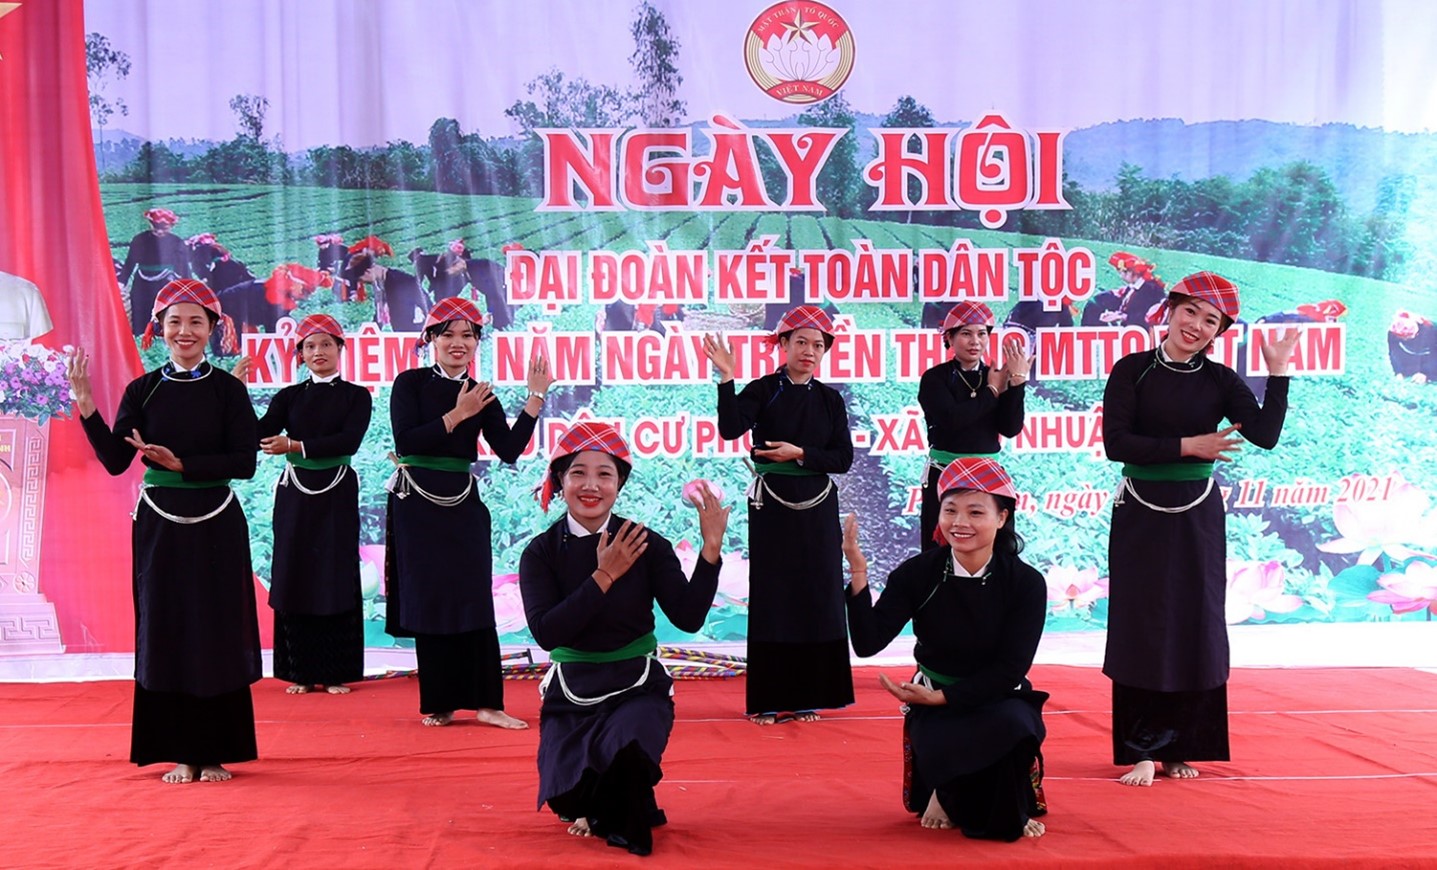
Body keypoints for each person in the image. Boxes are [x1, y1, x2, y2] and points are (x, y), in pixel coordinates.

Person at [1102, 272, 1300, 787]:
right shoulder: (1132, 370)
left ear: (1219, 332)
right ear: (1170, 311)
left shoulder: (1220, 380)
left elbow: (1265, 435)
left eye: (1210, 320)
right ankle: (1141, 750)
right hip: (1141, 510)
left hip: (1199, 514)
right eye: (1190, 311)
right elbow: (1116, 443)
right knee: (1142, 622)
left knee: (1196, 622)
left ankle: (1180, 748)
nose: (1196, 325)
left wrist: (1278, 373)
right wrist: (1188, 446)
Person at [67, 278, 261, 784]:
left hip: (217, 520)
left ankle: (214, 752)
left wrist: (184, 464)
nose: (185, 331)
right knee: (167, 626)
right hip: (160, 525)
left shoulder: (228, 390)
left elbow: (245, 462)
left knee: (215, 629)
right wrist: (87, 406)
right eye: (175, 322)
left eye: (196, 321)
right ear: (159, 329)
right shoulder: (143, 389)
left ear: (213, 329)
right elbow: (116, 460)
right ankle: (179, 752)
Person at [518, 422, 729, 856]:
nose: (591, 485)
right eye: (578, 473)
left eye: (605, 474)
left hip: (637, 686)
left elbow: (688, 617)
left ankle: (623, 794)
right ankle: (616, 795)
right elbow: (547, 633)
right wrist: (605, 575)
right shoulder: (541, 552)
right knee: (569, 800)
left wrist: (710, 550)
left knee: (629, 749)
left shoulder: (646, 543)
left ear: (620, 484)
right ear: (560, 480)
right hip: (572, 693)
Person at [843, 457, 1048, 841]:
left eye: (975, 512)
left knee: (1011, 726)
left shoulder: (1025, 582)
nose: (960, 523)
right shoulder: (918, 573)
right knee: (952, 737)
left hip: (998, 695)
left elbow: (1011, 668)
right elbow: (869, 642)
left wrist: (943, 698)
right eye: (950, 510)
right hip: (932, 692)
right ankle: (946, 790)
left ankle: (954, 794)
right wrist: (858, 573)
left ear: (1002, 518)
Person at [385, 296, 553, 728]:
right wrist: (458, 414)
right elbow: (408, 441)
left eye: (468, 336)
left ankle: (487, 703)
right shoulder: (410, 383)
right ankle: (440, 701)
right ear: (431, 340)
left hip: (462, 503)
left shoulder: (482, 394)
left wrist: (535, 399)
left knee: (473, 597)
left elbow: (509, 449)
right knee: (430, 598)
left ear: (477, 343)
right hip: (416, 503)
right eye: (448, 335)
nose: (458, 343)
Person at [701, 305, 854, 725]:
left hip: (818, 503)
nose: (809, 351)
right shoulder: (764, 389)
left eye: (818, 345)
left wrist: (800, 453)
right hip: (772, 503)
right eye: (801, 342)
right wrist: (727, 378)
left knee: (816, 594)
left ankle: (809, 697)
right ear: (783, 344)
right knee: (775, 595)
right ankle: (768, 700)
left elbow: (843, 458)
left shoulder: (830, 400)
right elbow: (731, 429)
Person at [256, 314, 373, 695]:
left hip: (337, 489)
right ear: (301, 355)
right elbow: (259, 433)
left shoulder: (356, 396)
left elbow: (348, 441)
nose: (318, 351)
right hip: (295, 491)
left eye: (325, 344)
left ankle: (336, 671)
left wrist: (294, 445)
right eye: (309, 346)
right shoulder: (288, 397)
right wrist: (235, 396)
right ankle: (300, 672)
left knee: (335, 572)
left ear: (340, 349)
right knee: (296, 571)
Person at [918, 301, 1029, 550]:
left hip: (988, 476)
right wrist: (991, 392)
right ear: (950, 338)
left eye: (981, 334)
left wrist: (1017, 383)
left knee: (997, 550)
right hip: (945, 473)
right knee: (940, 550)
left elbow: (1010, 428)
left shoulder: (996, 374)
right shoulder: (935, 378)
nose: (975, 341)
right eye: (966, 334)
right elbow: (952, 420)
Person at [117, 208, 192, 337]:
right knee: (140, 314)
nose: (160, 231)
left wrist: (188, 288)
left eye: (164, 228)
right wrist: (121, 282)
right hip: (142, 285)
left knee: (165, 315)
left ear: (171, 226)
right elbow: (130, 263)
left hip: (166, 284)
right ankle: (142, 339)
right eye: (156, 227)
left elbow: (184, 269)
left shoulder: (177, 242)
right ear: (150, 224)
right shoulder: (140, 239)